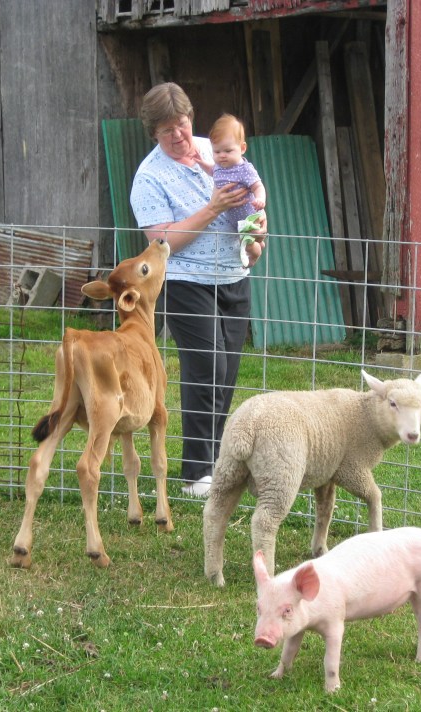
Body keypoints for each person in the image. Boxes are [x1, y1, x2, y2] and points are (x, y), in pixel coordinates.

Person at [129, 83, 267, 498]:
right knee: (207, 365)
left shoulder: (218, 149)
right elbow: (162, 241)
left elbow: (252, 197)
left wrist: (258, 231)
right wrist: (212, 209)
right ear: (153, 132)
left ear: (192, 118)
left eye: (183, 124)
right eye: (166, 129)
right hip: (184, 280)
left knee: (227, 370)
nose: (178, 135)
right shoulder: (149, 177)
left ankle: (218, 463)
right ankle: (195, 473)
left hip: (233, 274)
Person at [193, 114, 267, 267]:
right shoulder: (220, 167)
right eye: (217, 152)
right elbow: (212, 170)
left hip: (249, 218)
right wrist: (200, 162)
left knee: (246, 241)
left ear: (242, 148)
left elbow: (258, 186)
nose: (222, 156)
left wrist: (260, 199)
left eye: (228, 151)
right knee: (247, 240)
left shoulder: (244, 169)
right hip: (235, 219)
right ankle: (256, 245)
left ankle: (255, 255)